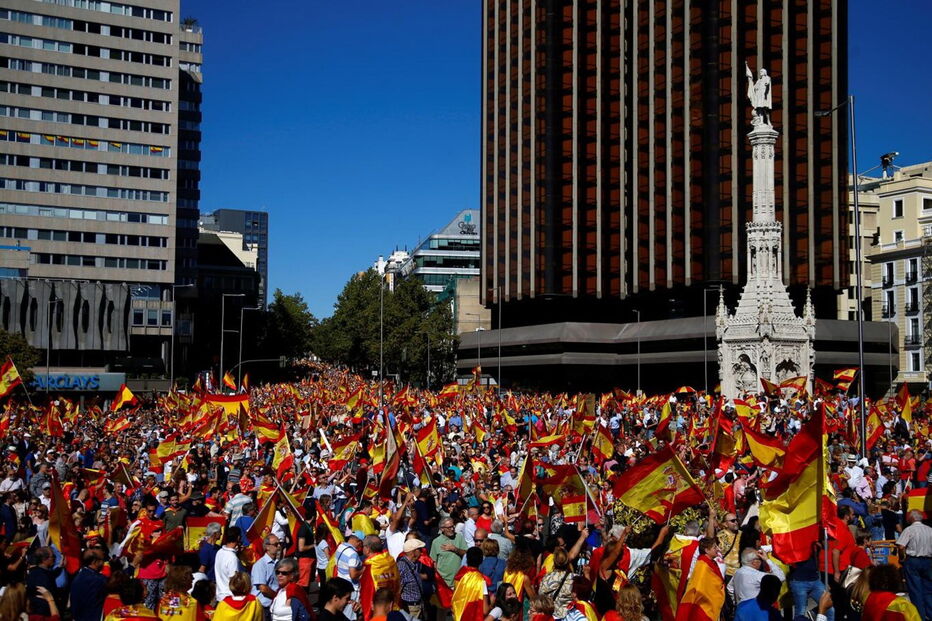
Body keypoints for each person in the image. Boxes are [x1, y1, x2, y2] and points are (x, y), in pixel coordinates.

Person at [674, 537, 725, 621]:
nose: (718, 549)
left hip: (711, 603)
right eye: (714, 547)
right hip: (704, 605)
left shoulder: (710, 562)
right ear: (707, 550)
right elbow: (699, 588)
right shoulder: (703, 565)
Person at [895, 509, 932, 620]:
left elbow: (901, 546)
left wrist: (902, 558)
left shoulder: (909, 530)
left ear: (911, 518)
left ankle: (919, 617)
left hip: (913, 561)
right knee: (929, 590)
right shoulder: (930, 530)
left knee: (915, 591)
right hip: (928, 561)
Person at [452, 547, 492, 621]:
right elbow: (485, 610)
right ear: (481, 560)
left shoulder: (459, 576)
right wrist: (492, 602)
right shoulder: (481, 581)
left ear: (467, 559)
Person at [69, 548, 108, 621]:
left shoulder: (79, 575)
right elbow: (114, 584)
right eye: (103, 560)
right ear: (94, 561)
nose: (105, 563)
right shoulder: (97, 580)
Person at [430, 517, 467, 590]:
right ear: (442, 529)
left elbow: (466, 554)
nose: (452, 529)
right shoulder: (436, 542)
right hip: (443, 582)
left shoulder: (459, 537)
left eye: (453, 526)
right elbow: (433, 562)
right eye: (449, 527)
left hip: (458, 580)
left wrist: (455, 549)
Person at [251, 534, 282, 614]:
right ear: (267, 547)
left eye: (279, 544)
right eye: (276, 544)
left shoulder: (278, 563)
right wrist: (277, 597)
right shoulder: (260, 564)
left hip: (272, 606)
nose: (279, 546)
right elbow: (263, 588)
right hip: (262, 607)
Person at [397, 538, 427, 619]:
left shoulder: (416, 564)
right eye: (419, 550)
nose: (421, 552)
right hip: (410, 608)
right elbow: (398, 588)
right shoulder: (402, 566)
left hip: (419, 605)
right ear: (413, 552)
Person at [215, 526, 244, 601]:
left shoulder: (219, 552)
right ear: (238, 538)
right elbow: (234, 581)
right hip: (230, 598)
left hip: (220, 596)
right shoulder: (232, 558)